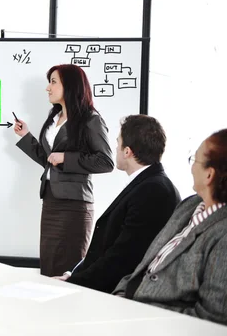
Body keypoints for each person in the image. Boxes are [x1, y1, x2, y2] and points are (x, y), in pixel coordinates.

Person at [55, 115, 180, 292]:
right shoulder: (148, 183)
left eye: (117, 143)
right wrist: (72, 276)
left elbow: (123, 258)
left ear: (127, 151)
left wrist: (75, 283)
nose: (115, 148)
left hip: (112, 294)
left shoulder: (154, 190)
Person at [113, 129, 227, 325]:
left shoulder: (222, 235)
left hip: (155, 323)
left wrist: (137, 312)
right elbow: (147, 265)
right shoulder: (189, 205)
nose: (191, 168)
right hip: (126, 307)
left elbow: (211, 318)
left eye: (195, 160)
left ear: (209, 175)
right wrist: (119, 296)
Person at [14, 64, 114, 277]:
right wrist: (27, 137)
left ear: (70, 85)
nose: (48, 88)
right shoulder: (54, 119)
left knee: (68, 270)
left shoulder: (90, 120)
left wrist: (66, 158)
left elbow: (106, 161)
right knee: (48, 269)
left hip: (75, 206)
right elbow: (49, 160)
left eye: (53, 82)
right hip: (50, 201)